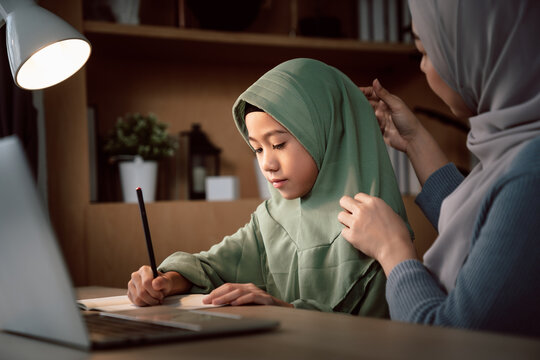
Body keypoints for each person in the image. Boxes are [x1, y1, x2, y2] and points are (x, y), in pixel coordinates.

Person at [127, 58, 411, 316]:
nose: (267, 164)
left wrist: (283, 310)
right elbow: (211, 267)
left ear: (327, 132)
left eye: (278, 144)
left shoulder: (378, 226)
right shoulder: (272, 218)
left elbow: (380, 336)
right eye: (257, 149)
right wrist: (166, 281)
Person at [338, 0, 540, 337]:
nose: (423, 67)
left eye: (426, 51)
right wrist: (414, 139)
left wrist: (393, 249)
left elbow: (451, 338)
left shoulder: (531, 178)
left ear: (479, 50)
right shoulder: (519, 146)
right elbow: (489, 222)